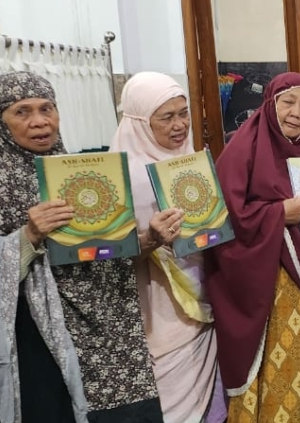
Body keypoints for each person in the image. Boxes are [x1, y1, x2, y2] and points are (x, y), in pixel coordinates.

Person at [0, 71, 162, 422]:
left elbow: (102, 249)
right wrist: (28, 236)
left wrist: (149, 239)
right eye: (22, 111)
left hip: (107, 328)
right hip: (40, 335)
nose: (40, 121)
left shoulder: (69, 168)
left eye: (46, 108)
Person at [207, 72, 300, 422]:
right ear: (270, 103)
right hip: (271, 286)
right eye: (288, 102)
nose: (296, 113)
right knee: (283, 365)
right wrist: (278, 214)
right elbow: (225, 217)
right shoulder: (243, 149)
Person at [109, 71, 226, 423]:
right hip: (154, 311)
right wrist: (150, 240)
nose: (179, 125)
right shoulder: (121, 179)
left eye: (183, 113)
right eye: (166, 117)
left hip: (202, 303)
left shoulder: (192, 163)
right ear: (140, 122)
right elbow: (106, 259)